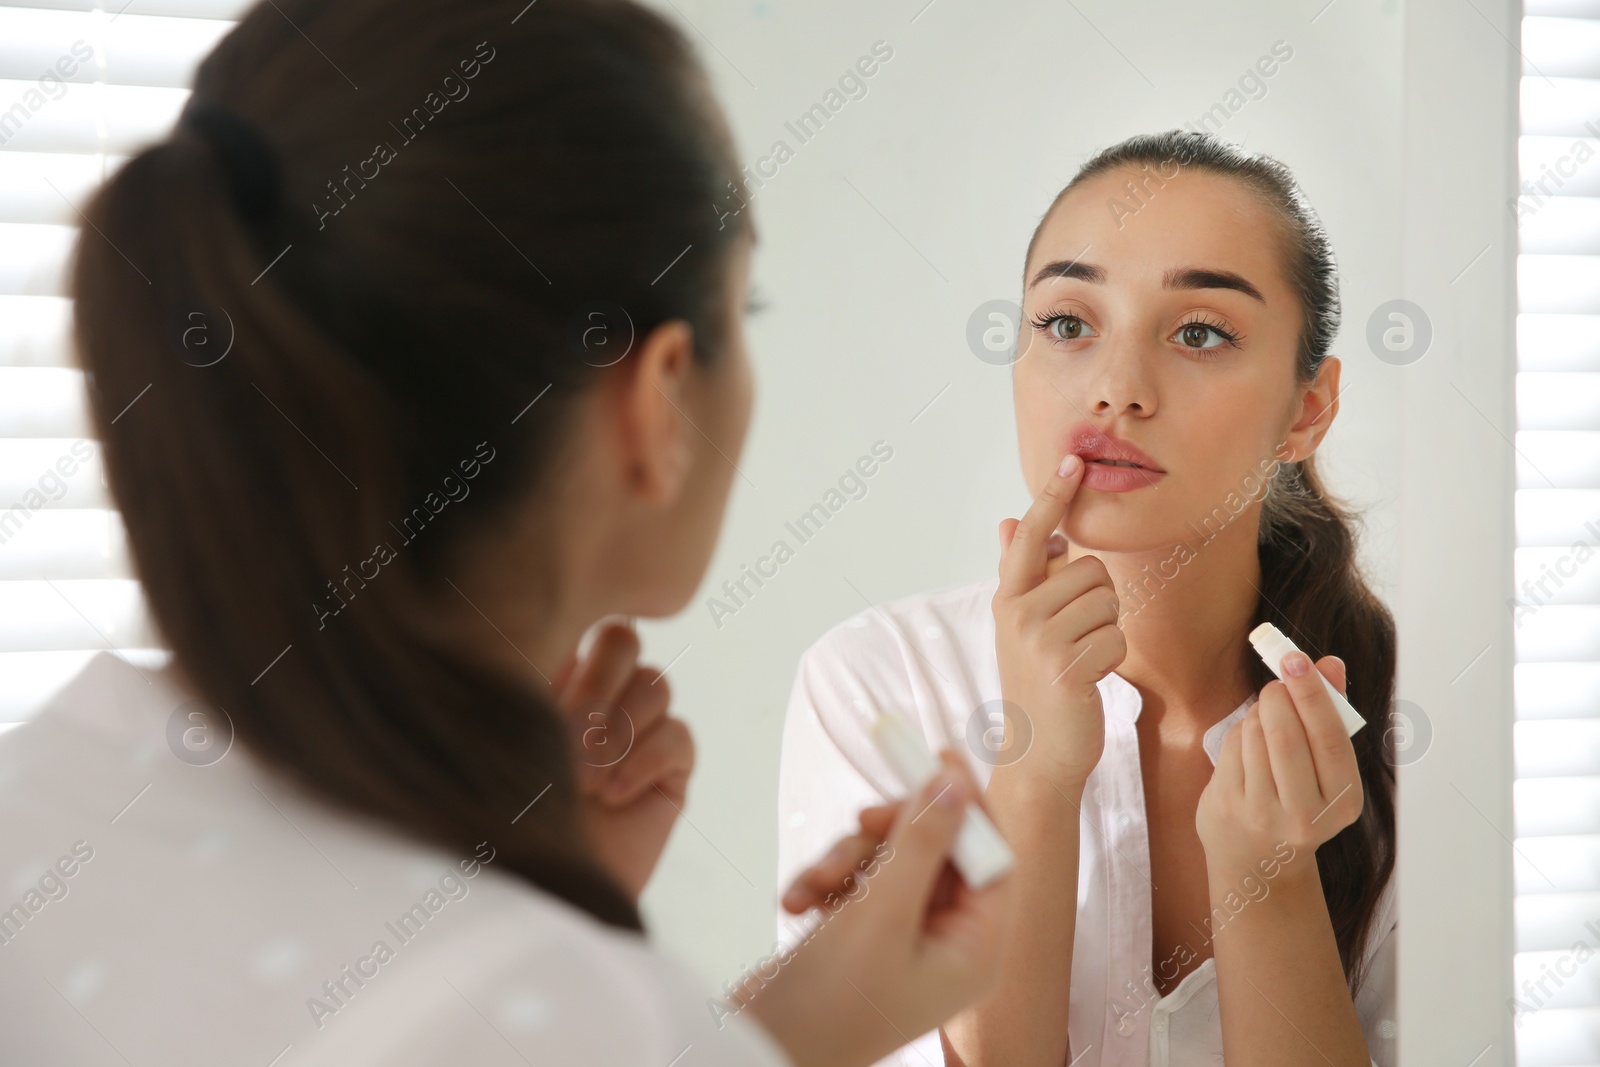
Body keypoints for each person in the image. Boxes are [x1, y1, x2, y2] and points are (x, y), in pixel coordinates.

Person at [0, 1, 1014, 1064]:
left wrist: (512, 892)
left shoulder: (51, 799)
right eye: (743, 307)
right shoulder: (565, 1014)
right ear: (658, 400)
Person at [776, 131, 1398, 1067]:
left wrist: (1267, 886)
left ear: (1307, 410)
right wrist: (1030, 774)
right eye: (1069, 323)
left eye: (1200, 332)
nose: (1116, 390)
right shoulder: (880, 689)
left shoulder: (1406, 726)